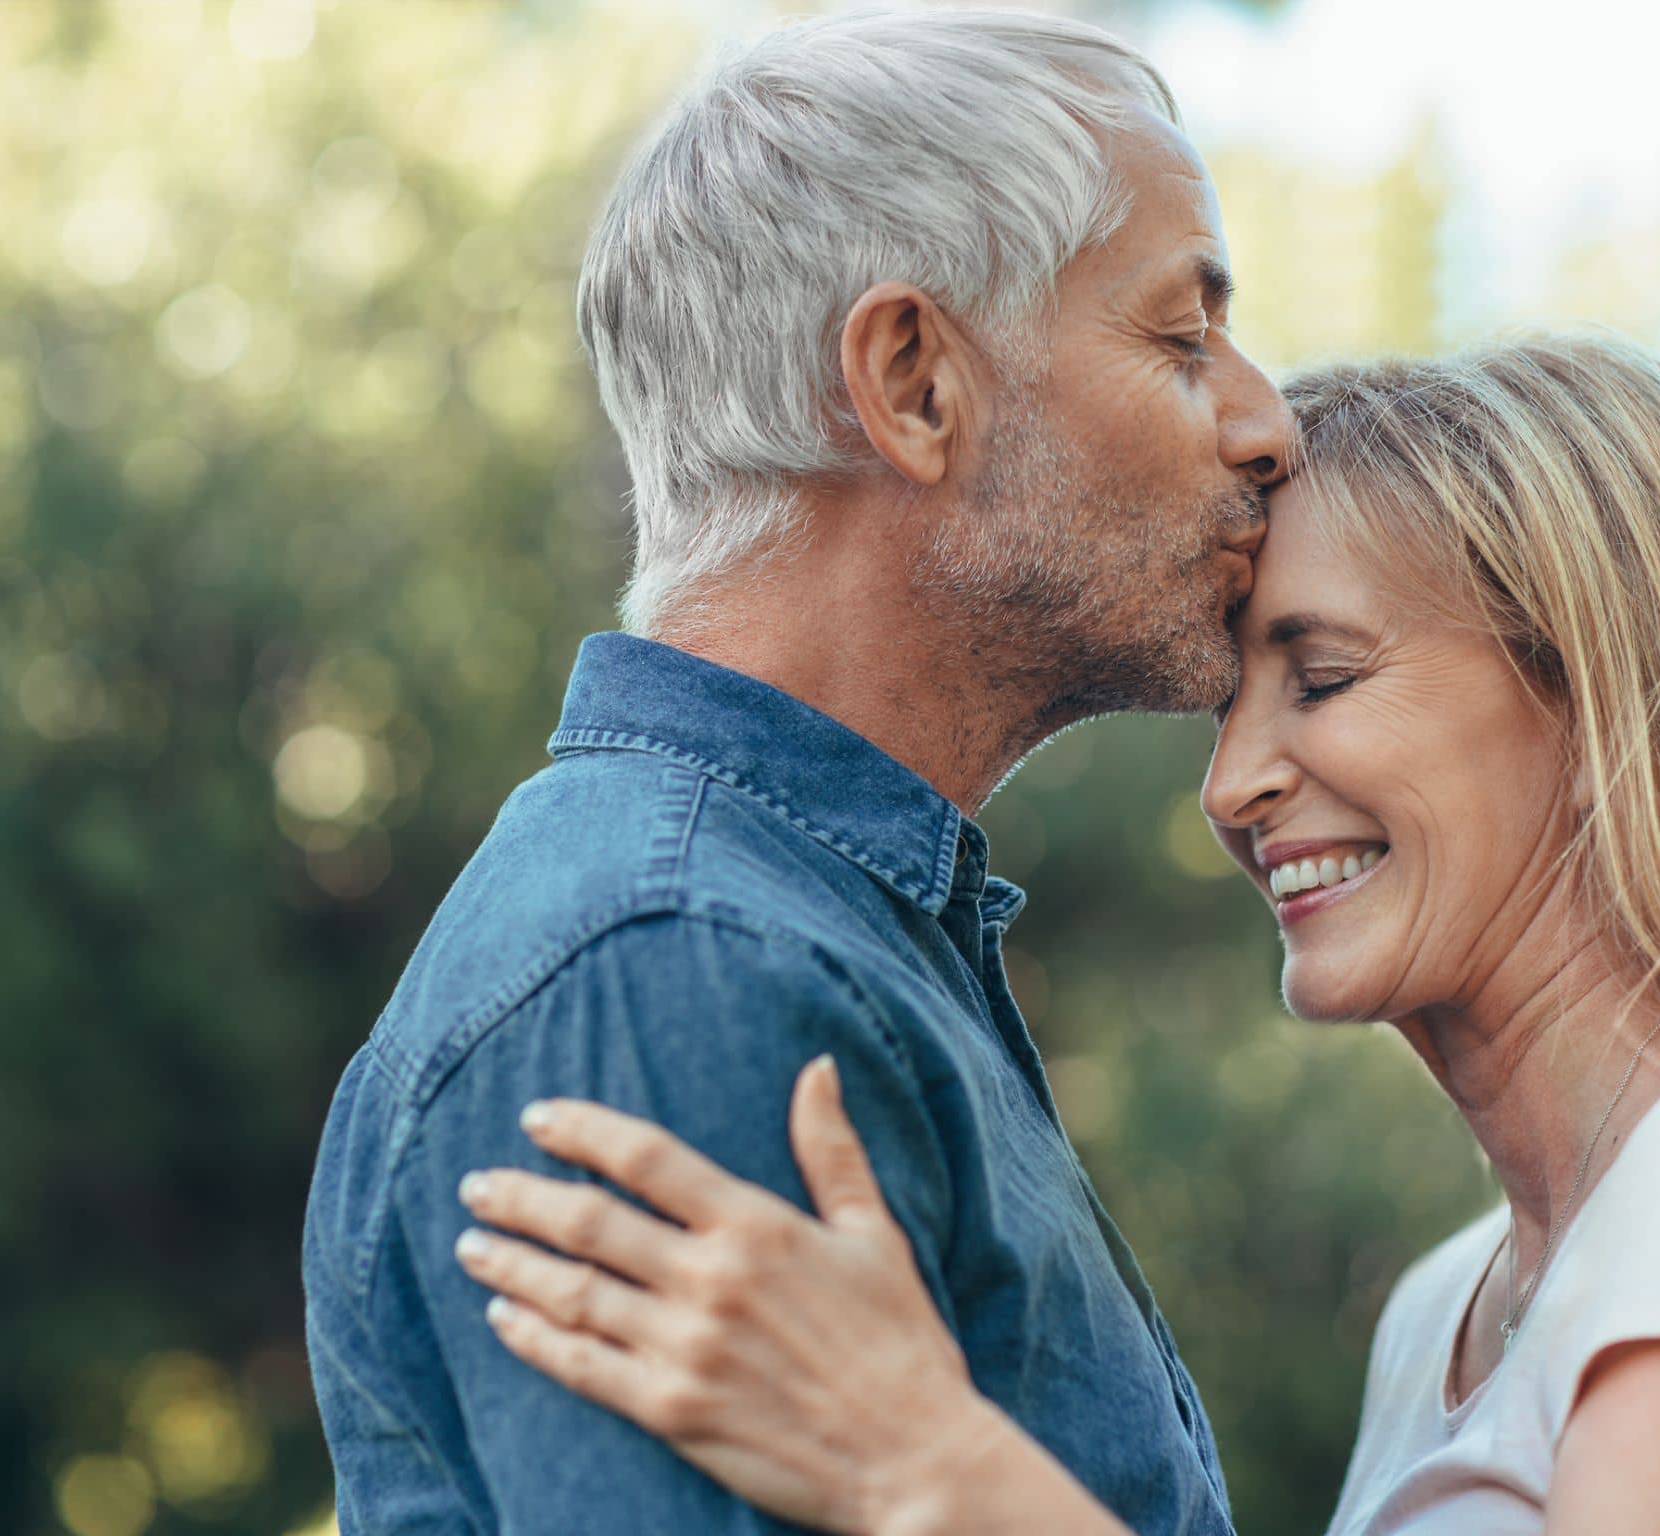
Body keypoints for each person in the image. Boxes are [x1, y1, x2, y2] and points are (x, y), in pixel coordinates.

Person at [453, 336, 1660, 1535]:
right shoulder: (1444, 1316)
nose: (1231, 784)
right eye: (1232, 701)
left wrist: (938, 1472)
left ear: (1607, 708)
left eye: (1328, 678)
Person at [300, 10, 1293, 1533]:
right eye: (1179, 335)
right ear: (912, 382)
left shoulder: (812, 934)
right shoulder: (681, 967)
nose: (1265, 421)